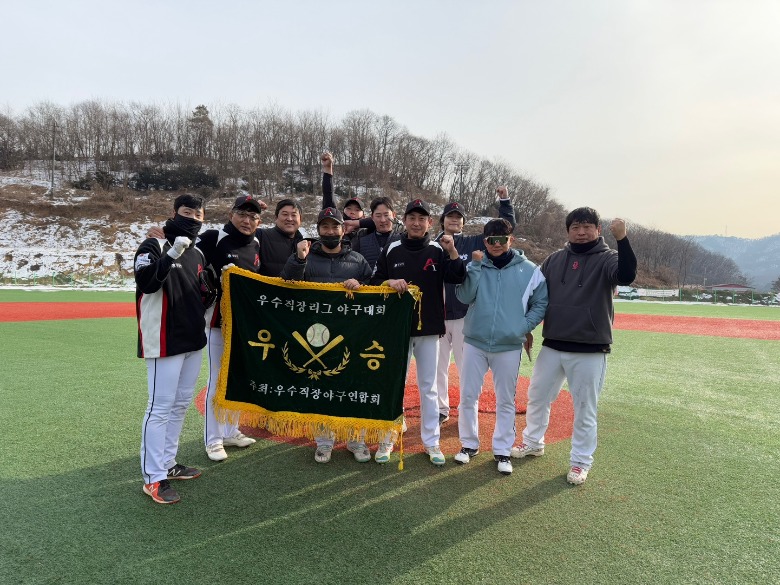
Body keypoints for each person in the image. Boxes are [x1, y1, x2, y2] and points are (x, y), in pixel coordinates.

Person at [511, 207, 637, 485]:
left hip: (590, 348)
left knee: (584, 407)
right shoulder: (555, 260)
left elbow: (626, 276)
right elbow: (534, 294)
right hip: (553, 344)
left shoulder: (608, 258)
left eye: (587, 227)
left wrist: (622, 239)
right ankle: (533, 442)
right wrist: (526, 326)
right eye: (575, 227)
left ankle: (580, 461)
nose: (581, 232)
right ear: (568, 231)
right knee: (537, 396)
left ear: (598, 230)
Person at [370, 199, 465, 465]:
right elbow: (374, 280)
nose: (416, 223)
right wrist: (389, 282)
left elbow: (458, 276)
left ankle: (432, 442)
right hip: (397, 329)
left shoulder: (438, 249)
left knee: (429, 387)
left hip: (429, 329)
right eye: (412, 218)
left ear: (429, 223)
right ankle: (387, 438)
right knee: (394, 384)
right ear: (404, 220)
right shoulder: (392, 248)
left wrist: (452, 251)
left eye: (421, 219)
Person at [453, 219, 548, 475]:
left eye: (502, 239)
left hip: (509, 345)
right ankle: (468, 445)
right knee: (468, 396)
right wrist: (474, 266)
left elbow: (541, 302)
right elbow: (463, 296)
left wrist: (522, 326)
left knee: (505, 400)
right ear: (485, 241)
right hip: (475, 342)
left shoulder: (530, 270)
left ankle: (503, 450)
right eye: (491, 240)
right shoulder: (475, 265)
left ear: (511, 240)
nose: (497, 244)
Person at [280, 207, 374, 464]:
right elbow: (287, 285)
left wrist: (361, 287)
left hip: (350, 333)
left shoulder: (357, 260)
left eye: (335, 227)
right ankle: (324, 441)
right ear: (318, 229)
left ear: (343, 230)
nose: (330, 232)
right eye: (325, 227)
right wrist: (299, 259)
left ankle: (356, 439)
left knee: (352, 386)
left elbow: (374, 291)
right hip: (316, 333)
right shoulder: (305, 255)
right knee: (321, 388)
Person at [134, 193, 209, 504]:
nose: (192, 218)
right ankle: (153, 477)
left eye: (198, 214)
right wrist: (172, 252)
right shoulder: (153, 244)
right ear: (175, 212)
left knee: (179, 405)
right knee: (159, 408)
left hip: (193, 339)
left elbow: (203, 293)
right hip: (164, 340)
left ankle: (168, 463)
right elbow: (146, 282)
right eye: (186, 212)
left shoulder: (198, 253)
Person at [434, 186, 516, 425]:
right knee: (438, 368)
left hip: (464, 316)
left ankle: (467, 408)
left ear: (463, 222)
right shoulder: (432, 246)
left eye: (458, 217)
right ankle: (441, 408)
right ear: (442, 220)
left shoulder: (473, 243)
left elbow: (505, 227)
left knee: (467, 368)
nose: (454, 220)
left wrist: (505, 201)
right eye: (450, 216)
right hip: (437, 317)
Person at [197, 195, 263, 462]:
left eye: (253, 217)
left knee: (236, 379)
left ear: (259, 221)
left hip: (244, 326)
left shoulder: (256, 243)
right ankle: (213, 440)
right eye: (242, 215)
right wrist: (162, 235)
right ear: (230, 214)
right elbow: (189, 255)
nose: (247, 221)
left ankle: (230, 431)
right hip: (217, 323)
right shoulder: (214, 237)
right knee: (217, 381)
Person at [352, 196, 404, 271]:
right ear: (372, 217)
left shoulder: (403, 240)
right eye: (378, 216)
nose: (383, 220)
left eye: (386, 215)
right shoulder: (361, 241)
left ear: (393, 215)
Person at [256, 198, 305, 277]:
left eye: (294, 215)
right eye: (285, 214)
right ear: (276, 218)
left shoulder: (305, 245)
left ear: (300, 219)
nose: (289, 219)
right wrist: (250, 208)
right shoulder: (261, 236)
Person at [320, 151, 366, 222]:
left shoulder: (370, 228)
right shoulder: (337, 225)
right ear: (343, 211)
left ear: (364, 215)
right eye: (349, 208)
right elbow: (328, 195)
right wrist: (328, 169)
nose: (352, 212)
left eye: (357, 210)